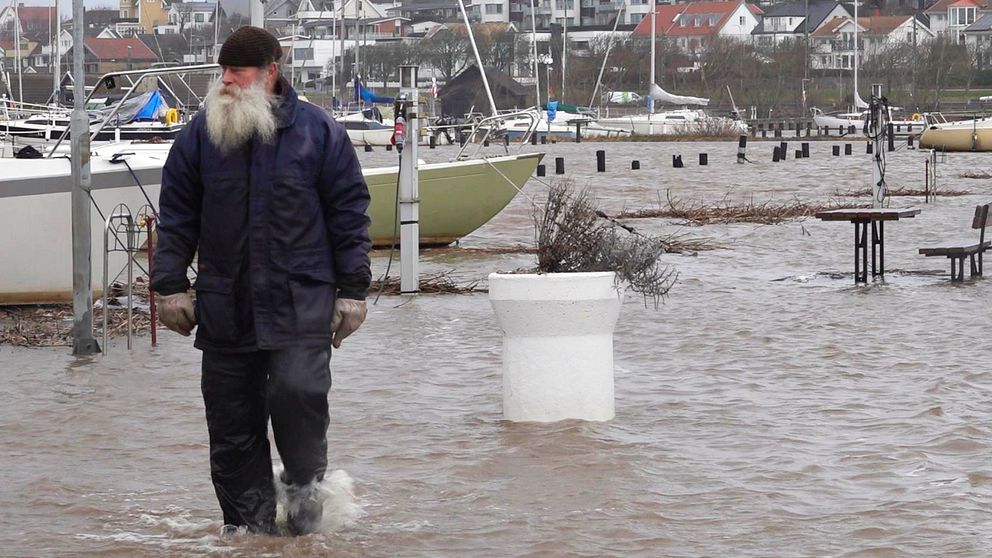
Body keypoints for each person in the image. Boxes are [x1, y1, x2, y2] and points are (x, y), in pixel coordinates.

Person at [149, 26, 372, 536]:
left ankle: (304, 527)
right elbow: (177, 215)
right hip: (225, 308)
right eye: (222, 71)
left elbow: (349, 214)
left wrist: (353, 292)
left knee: (299, 410)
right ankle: (249, 538)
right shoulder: (199, 137)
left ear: (271, 72)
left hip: (301, 306)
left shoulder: (320, 133)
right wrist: (169, 286)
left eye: (238, 71)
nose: (226, 80)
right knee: (231, 434)